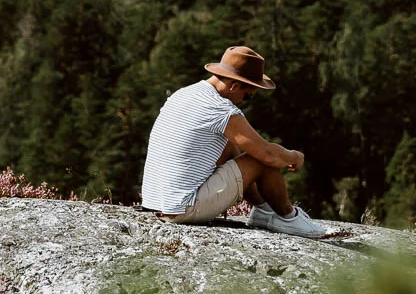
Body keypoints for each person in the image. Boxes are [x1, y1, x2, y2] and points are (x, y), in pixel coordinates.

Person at [140, 45, 327, 238]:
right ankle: (289, 218)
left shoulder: (184, 94)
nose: (244, 102)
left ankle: (264, 211)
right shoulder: (220, 108)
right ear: (234, 85)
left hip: (157, 203)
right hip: (182, 208)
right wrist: (294, 156)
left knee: (229, 145)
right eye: (248, 96)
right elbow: (268, 155)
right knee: (261, 160)